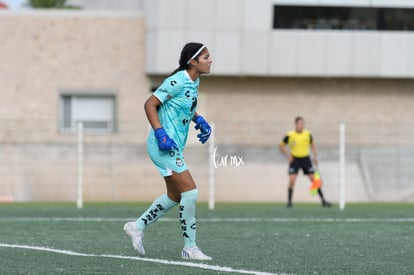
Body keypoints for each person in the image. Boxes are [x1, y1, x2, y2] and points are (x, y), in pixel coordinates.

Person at [124, 42, 213, 260]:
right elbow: (150, 104)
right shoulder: (177, 80)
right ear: (193, 62)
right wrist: (160, 133)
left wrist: (198, 119)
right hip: (162, 146)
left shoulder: (194, 80)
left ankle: (137, 226)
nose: (210, 60)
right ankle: (189, 248)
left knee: (175, 195)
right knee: (190, 192)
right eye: (206, 57)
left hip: (173, 146)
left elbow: (185, 104)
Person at [279, 116, 332, 208]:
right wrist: (287, 156)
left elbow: (313, 145)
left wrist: (315, 157)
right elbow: (281, 145)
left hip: (305, 159)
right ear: (296, 124)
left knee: (313, 179)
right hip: (294, 159)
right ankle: (289, 202)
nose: (302, 125)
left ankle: (323, 200)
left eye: (303, 123)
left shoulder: (308, 134)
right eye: (300, 123)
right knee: (292, 180)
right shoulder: (290, 135)